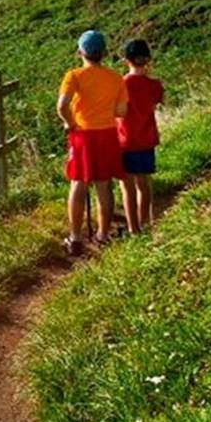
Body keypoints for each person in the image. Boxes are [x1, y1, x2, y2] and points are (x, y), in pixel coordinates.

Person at [57, 29, 127, 255]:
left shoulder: (74, 76)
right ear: (104, 53)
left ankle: (75, 238)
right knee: (103, 185)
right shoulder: (116, 78)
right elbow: (121, 111)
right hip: (107, 134)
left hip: (82, 135)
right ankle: (102, 235)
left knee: (78, 183)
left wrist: (70, 122)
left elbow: (61, 106)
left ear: (81, 52)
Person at [118, 37, 164, 232]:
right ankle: (144, 222)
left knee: (126, 187)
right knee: (142, 184)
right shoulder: (155, 85)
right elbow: (157, 101)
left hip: (124, 141)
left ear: (125, 60)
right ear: (148, 60)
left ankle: (132, 228)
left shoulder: (120, 85)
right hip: (146, 140)